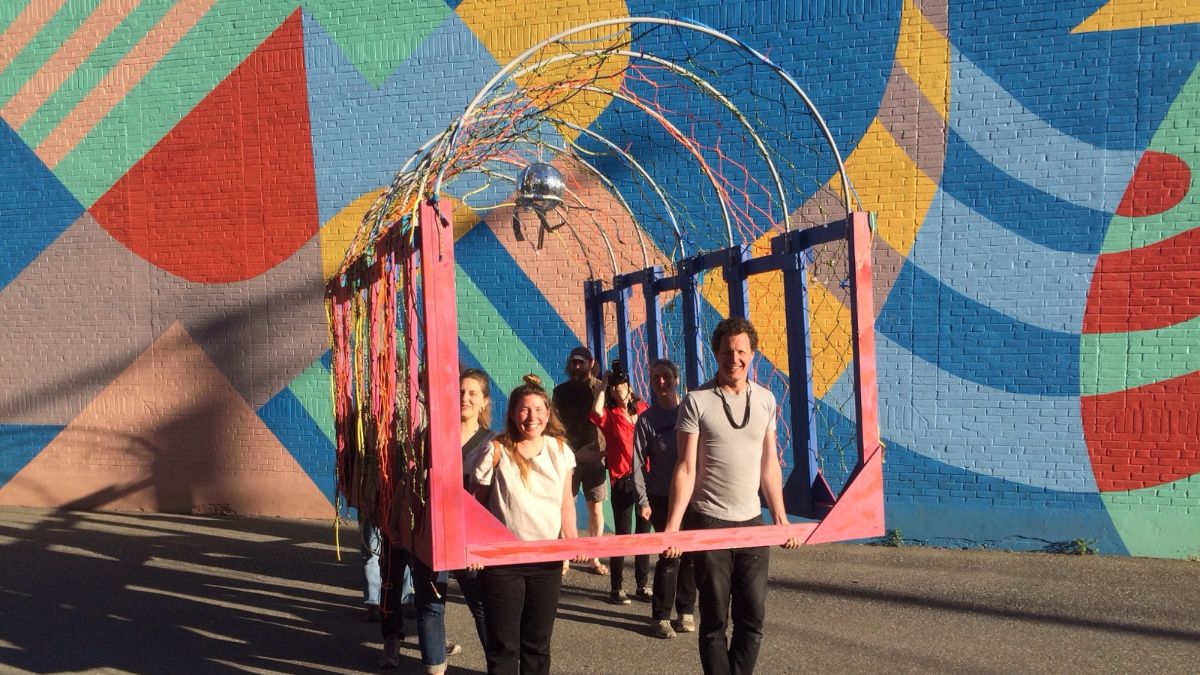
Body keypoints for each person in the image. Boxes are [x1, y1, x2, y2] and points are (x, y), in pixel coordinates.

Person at [662, 318, 801, 675]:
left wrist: (781, 521)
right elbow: (685, 467)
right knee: (713, 622)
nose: (734, 358)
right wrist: (674, 528)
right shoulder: (696, 401)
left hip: (752, 523)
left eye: (741, 351)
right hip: (710, 522)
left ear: (752, 355)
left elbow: (769, 465)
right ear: (717, 354)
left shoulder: (767, 400)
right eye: (727, 352)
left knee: (752, 619)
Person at [472, 374, 588, 675]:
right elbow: (475, 506)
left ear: (548, 414)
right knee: (503, 645)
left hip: (545, 561)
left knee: (538, 643)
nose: (531, 417)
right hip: (503, 563)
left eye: (538, 410)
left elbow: (566, 503)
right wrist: (473, 550)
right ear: (512, 414)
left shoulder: (560, 450)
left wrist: (572, 543)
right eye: (524, 409)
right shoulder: (495, 449)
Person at [379, 369, 494, 672]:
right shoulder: (430, 436)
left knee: (482, 605)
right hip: (431, 533)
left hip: (471, 537)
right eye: (459, 391)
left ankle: (499, 666)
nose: (464, 398)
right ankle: (435, 668)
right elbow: (409, 482)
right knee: (430, 606)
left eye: (472, 393)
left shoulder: (494, 444)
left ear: (484, 402)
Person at [632, 358, 696, 638]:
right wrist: (643, 500)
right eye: (656, 377)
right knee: (670, 555)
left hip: (693, 497)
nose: (661, 382)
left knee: (691, 556)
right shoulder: (647, 420)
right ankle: (660, 616)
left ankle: (686, 611)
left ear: (676, 379)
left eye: (666, 376)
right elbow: (636, 463)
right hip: (661, 497)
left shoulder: (691, 412)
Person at [589, 359, 651, 604]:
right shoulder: (611, 415)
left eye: (620, 385)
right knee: (622, 535)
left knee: (644, 535)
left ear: (629, 386)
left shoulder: (643, 409)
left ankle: (642, 585)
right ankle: (617, 588)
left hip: (646, 479)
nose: (617, 390)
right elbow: (595, 412)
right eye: (614, 387)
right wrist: (603, 385)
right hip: (623, 479)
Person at [551, 347, 609, 576]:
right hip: (569, 458)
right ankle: (566, 556)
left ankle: (594, 556)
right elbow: (554, 426)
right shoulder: (560, 392)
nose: (576, 367)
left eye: (581, 363)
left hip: (595, 457)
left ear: (591, 362)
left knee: (595, 507)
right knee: (565, 506)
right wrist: (571, 453)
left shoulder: (601, 388)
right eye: (573, 362)